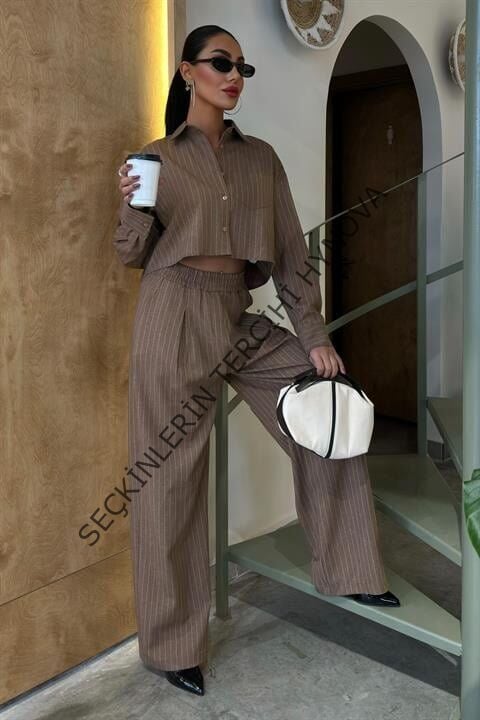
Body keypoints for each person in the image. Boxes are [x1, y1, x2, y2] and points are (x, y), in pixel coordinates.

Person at [113, 24, 400, 698]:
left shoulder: (260, 159)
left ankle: (352, 570)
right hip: (171, 316)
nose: (233, 76)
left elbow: (293, 257)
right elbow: (129, 253)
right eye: (221, 63)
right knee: (168, 483)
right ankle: (172, 645)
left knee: (329, 409)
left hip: (233, 314)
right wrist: (135, 202)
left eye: (241, 67)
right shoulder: (154, 158)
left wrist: (314, 335)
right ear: (187, 71)